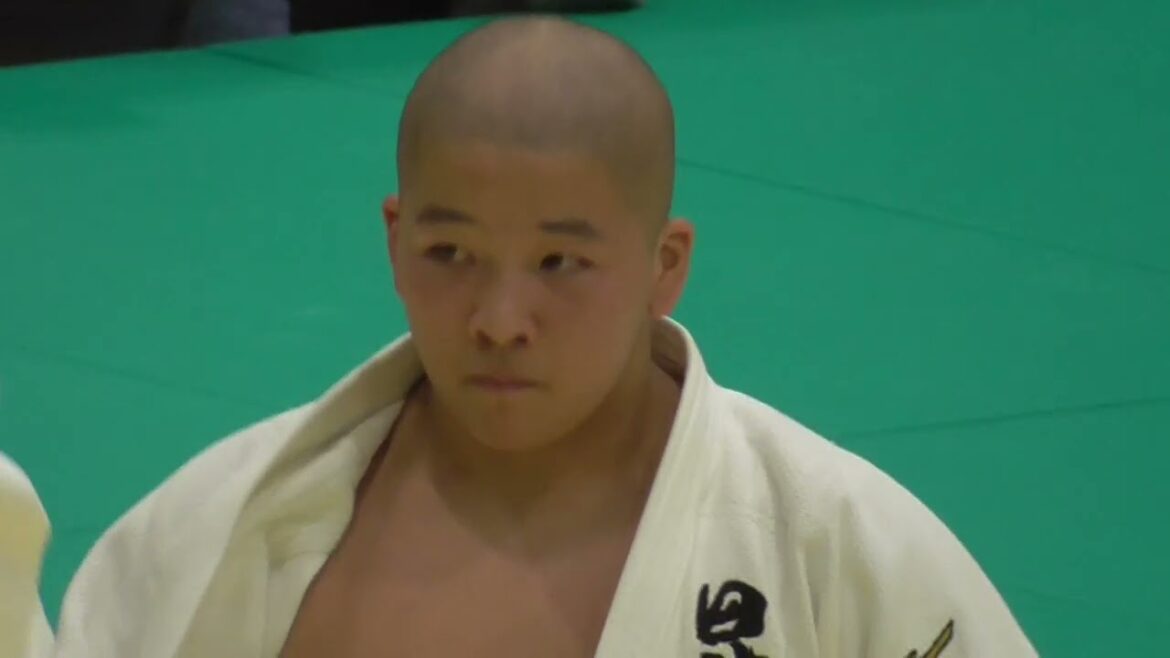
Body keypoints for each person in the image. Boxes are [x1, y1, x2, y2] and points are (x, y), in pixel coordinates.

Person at [0, 16, 1038, 658]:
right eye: (451, 253)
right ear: (396, 240)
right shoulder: (217, 525)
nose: (499, 321)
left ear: (665, 264)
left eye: (559, 263)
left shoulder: (830, 542)